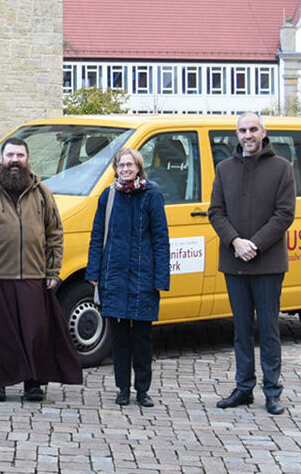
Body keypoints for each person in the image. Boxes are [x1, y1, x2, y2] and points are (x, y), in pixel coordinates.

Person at [0, 137, 81, 402]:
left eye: (20, 155)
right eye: (10, 155)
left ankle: (33, 383)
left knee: (35, 332)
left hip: (34, 275)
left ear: (28, 160)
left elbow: (55, 233)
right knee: (0, 334)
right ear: (2, 159)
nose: (14, 160)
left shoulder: (42, 193)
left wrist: (53, 271)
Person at [209, 112, 296, 415]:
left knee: (269, 329)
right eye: (243, 130)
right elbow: (215, 212)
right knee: (241, 329)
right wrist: (235, 242)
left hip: (268, 264)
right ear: (237, 134)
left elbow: (284, 215)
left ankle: (272, 391)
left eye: (253, 129)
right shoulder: (224, 169)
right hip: (235, 262)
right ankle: (243, 388)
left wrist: (255, 245)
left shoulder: (282, 169)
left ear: (264, 132)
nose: (248, 135)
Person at [86, 148, 170, 408]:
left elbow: (161, 239)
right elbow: (98, 235)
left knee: (143, 340)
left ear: (138, 167)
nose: (125, 169)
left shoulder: (152, 195)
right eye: (121, 165)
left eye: (129, 165)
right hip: (114, 278)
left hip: (143, 279)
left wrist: (160, 278)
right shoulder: (108, 196)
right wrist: (94, 272)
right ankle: (122, 388)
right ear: (116, 168)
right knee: (120, 340)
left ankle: (142, 390)